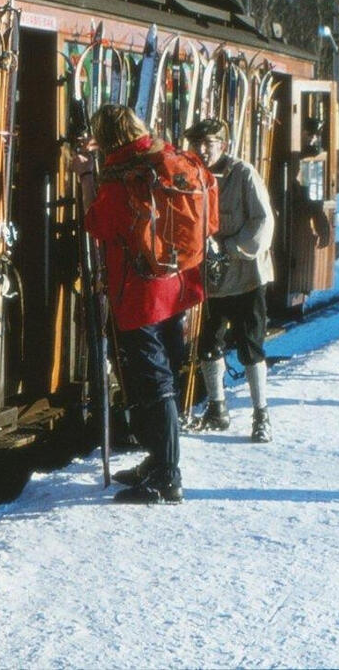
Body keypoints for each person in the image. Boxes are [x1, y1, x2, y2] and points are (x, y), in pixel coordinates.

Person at [84, 105, 215, 504]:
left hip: (138, 294)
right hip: (178, 287)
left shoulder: (125, 176)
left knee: (151, 379)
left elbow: (97, 225)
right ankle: (157, 459)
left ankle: (166, 475)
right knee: (165, 373)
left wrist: (87, 177)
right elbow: (210, 222)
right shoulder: (178, 162)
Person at [184, 119, 275, 443]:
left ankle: (260, 413)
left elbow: (263, 221)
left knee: (250, 346)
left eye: (209, 143)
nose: (203, 149)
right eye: (197, 144)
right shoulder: (192, 177)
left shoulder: (243, 174)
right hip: (211, 278)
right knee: (208, 343)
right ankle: (217, 408)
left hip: (246, 276)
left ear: (223, 144)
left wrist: (231, 247)